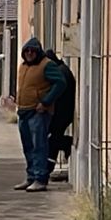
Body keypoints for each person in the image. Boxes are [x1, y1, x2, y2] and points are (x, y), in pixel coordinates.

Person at [14, 37, 67, 193]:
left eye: (33, 51)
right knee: (28, 147)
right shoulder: (23, 66)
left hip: (38, 112)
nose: (30, 53)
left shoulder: (46, 65)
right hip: (24, 111)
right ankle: (31, 177)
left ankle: (40, 179)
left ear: (38, 52)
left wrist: (45, 102)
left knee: (39, 146)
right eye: (27, 51)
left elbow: (60, 83)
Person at [44, 49, 76, 181]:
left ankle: (48, 168)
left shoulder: (61, 72)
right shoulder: (63, 69)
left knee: (54, 141)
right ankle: (48, 168)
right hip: (63, 112)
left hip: (61, 113)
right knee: (54, 139)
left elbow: (58, 92)